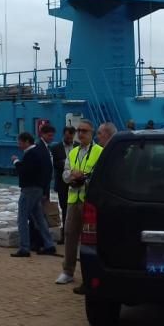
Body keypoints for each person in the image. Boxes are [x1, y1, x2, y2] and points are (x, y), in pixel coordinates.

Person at [55, 119, 103, 293]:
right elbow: (65, 174)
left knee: (89, 240)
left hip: (90, 201)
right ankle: (67, 271)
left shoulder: (99, 151)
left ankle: (89, 274)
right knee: (70, 235)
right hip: (74, 200)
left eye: (84, 131)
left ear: (92, 133)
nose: (81, 133)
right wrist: (72, 176)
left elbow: (100, 175)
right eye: (79, 130)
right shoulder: (73, 152)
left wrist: (83, 177)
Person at [10, 132, 57, 258]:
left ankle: (24, 248)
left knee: (22, 218)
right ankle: (49, 244)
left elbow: (24, 172)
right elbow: (47, 170)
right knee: (39, 218)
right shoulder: (40, 152)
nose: (18, 145)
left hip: (29, 189)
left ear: (26, 142)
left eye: (20, 142)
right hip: (38, 189)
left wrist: (16, 162)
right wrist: (44, 189)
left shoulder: (30, 154)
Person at [50, 125, 75, 242]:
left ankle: (75, 233)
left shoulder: (78, 147)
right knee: (64, 208)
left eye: (71, 137)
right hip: (62, 184)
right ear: (63, 135)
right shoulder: (55, 148)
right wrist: (65, 163)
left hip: (75, 183)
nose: (69, 139)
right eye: (67, 137)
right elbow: (53, 163)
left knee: (76, 209)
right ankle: (65, 234)